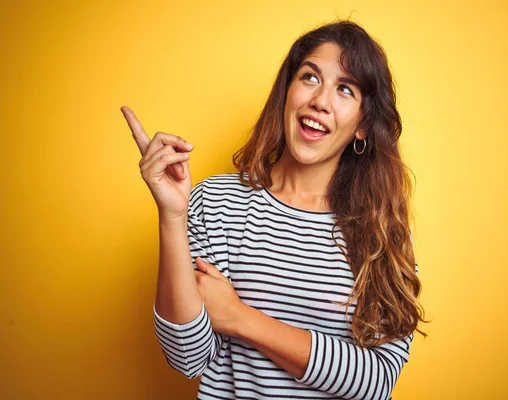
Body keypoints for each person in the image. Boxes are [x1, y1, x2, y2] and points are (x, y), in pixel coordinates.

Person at [122, 20, 426, 400]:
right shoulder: (217, 203)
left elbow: (377, 381)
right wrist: (171, 216)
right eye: (310, 77)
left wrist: (240, 318)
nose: (321, 100)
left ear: (363, 125)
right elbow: (187, 357)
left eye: (345, 89)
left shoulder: (381, 231)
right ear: (288, 91)